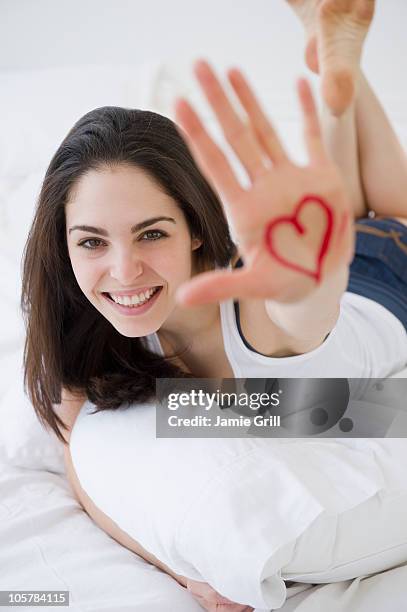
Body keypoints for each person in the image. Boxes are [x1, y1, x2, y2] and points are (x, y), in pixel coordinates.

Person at [20, 0, 406, 610]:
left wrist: (309, 287)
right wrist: (178, 573)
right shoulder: (80, 328)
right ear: (62, 244)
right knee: (333, 220)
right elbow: (85, 468)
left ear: (196, 227)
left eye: (152, 233)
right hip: (317, 271)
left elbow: (298, 323)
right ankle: (338, 58)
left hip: (386, 279)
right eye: (92, 241)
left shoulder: (256, 306)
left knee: (373, 219)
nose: (123, 273)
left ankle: (344, 69)